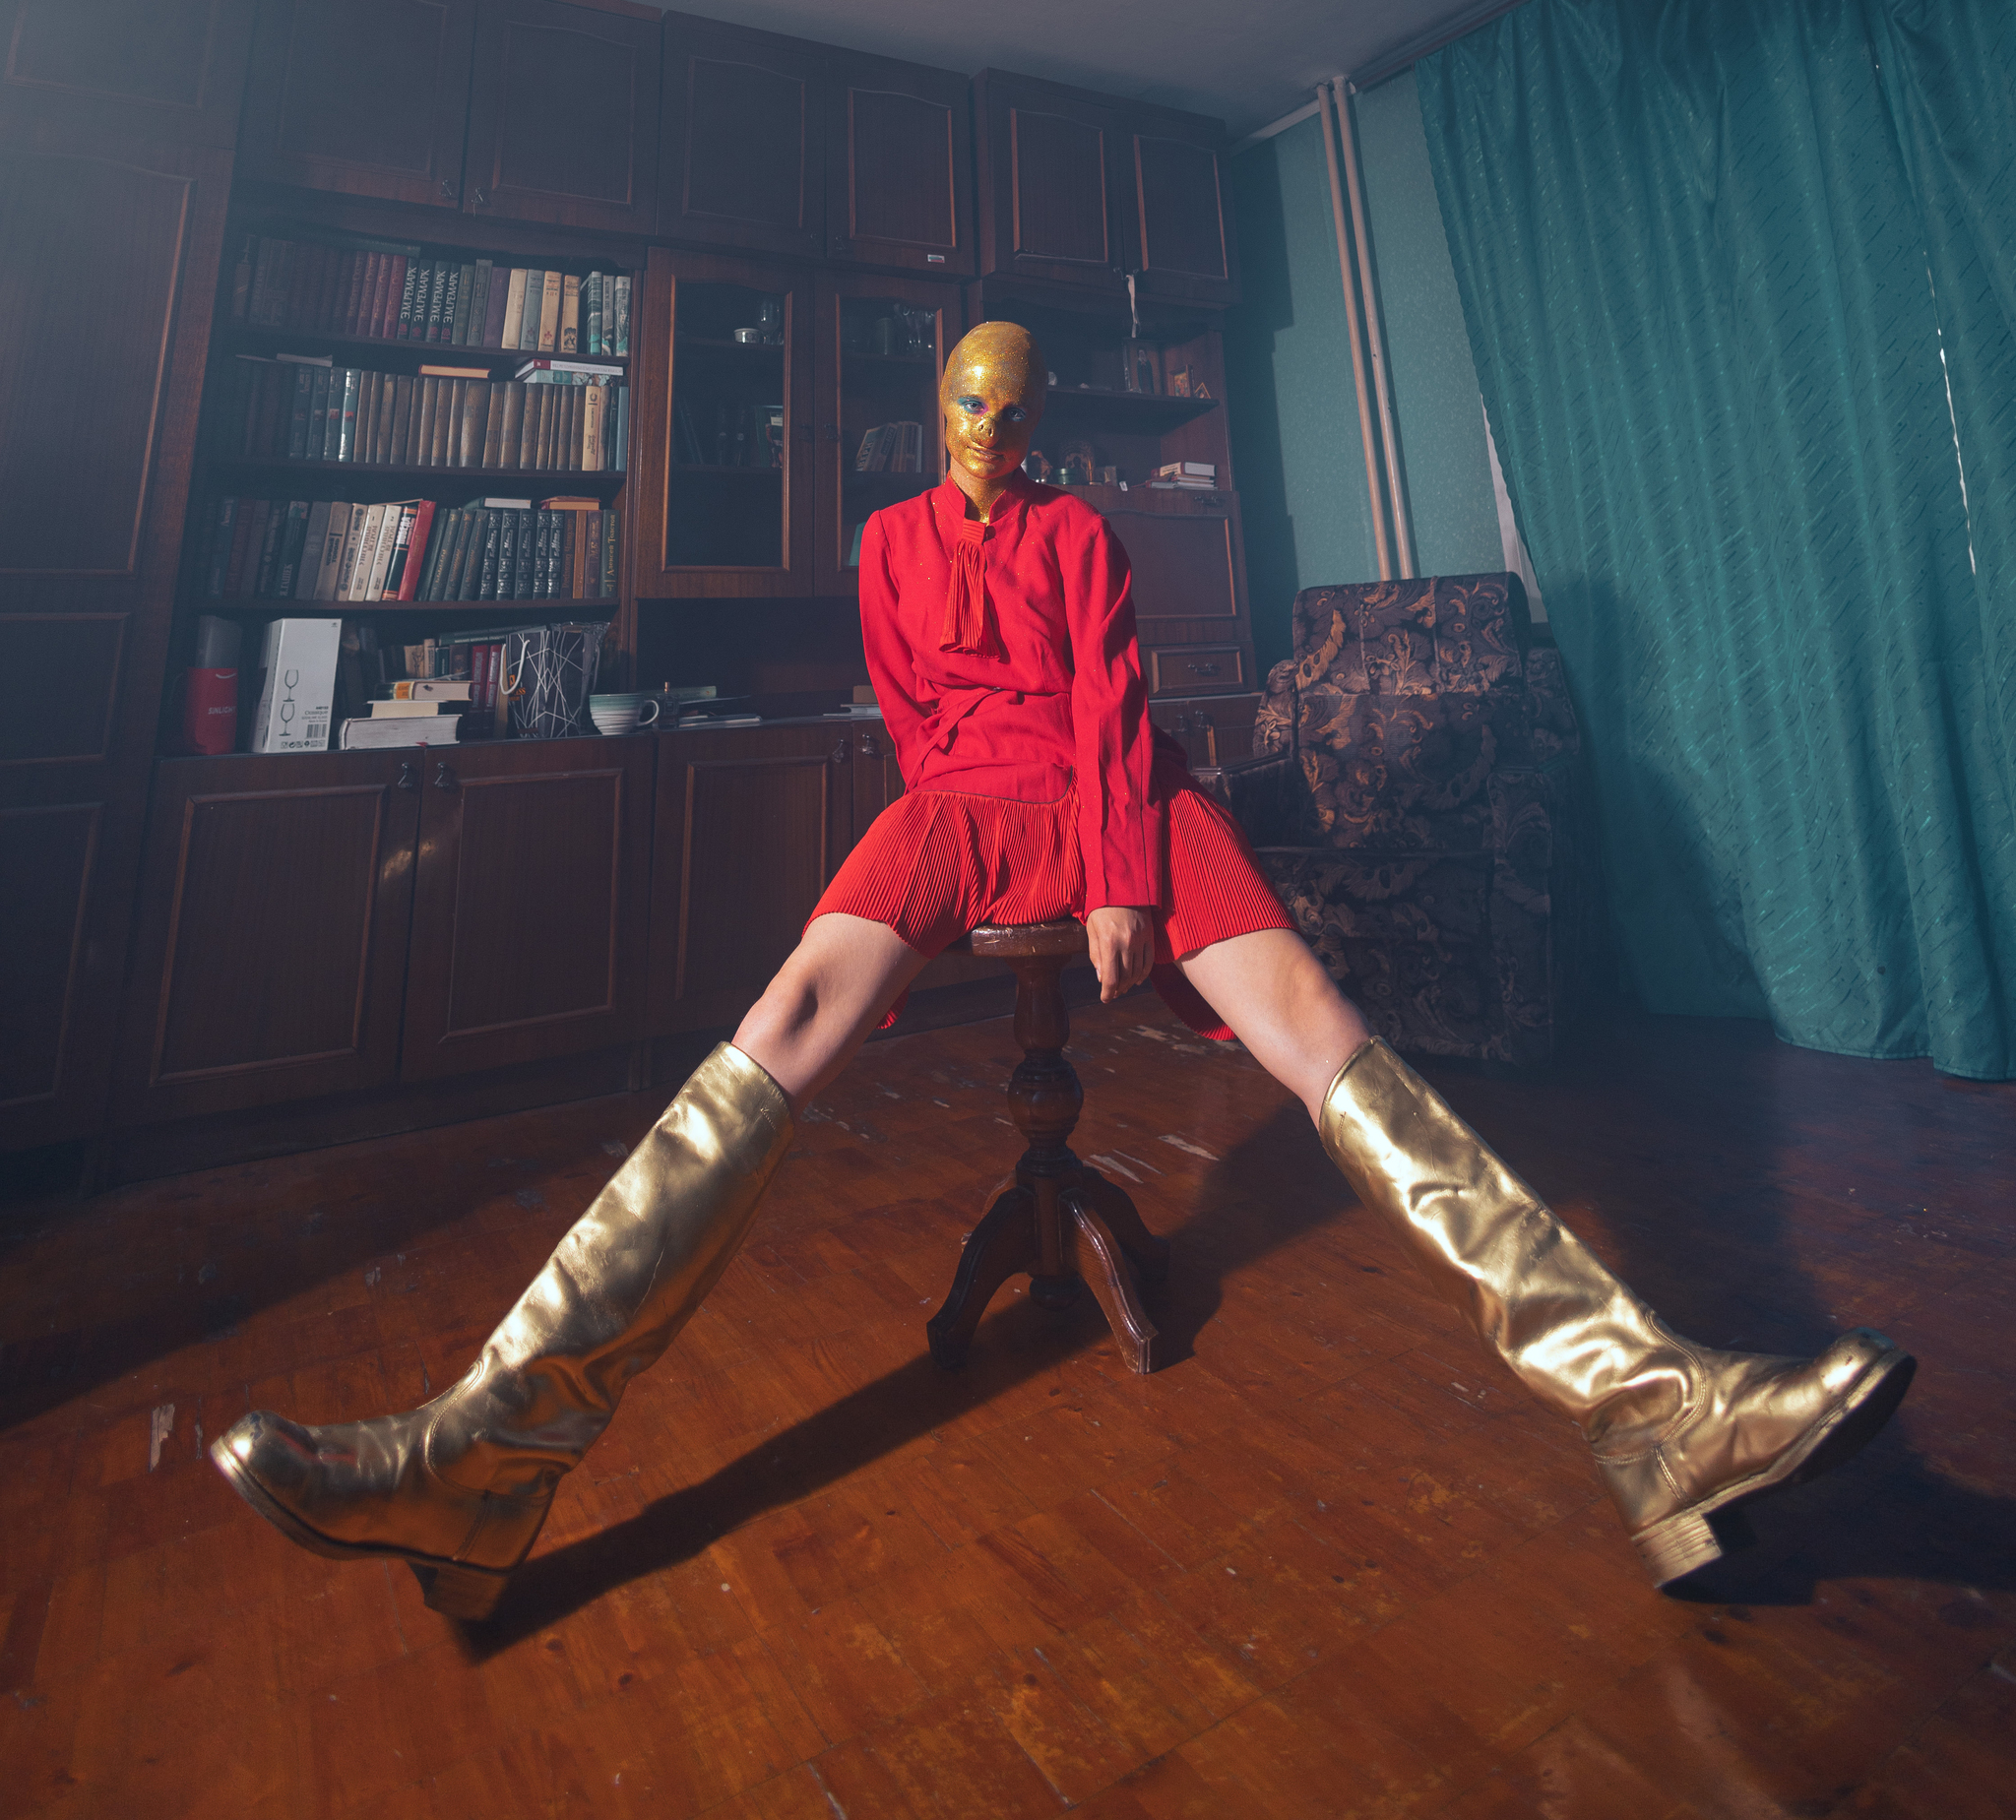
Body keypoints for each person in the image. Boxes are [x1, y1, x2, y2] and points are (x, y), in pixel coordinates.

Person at [211, 323, 1912, 1619]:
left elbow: (1112, 706)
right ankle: (488, 1447)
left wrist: (1116, 878)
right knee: (782, 1014)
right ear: (936, 410)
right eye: (969, 406)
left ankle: (1650, 1402)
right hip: (956, 805)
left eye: (1015, 413)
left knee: (1318, 1023)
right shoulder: (887, 542)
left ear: (1038, 428)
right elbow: (909, 713)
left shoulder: (1085, 534)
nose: (991, 433)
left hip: (1121, 797)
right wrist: (942, 865)